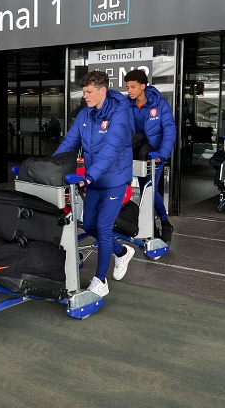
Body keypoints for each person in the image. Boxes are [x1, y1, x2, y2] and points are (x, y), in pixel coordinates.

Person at [53, 71, 135, 298]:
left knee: (104, 228)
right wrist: (49, 167)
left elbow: (111, 150)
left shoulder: (120, 113)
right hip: (94, 179)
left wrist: (88, 176)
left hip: (114, 179)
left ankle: (100, 281)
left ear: (103, 90)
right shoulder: (85, 115)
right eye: (83, 91)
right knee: (89, 225)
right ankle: (122, 251)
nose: (85, 96)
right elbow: (69, 142)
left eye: (89, 92)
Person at [124, 69, 177, 245]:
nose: (129, 90)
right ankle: (152, 227)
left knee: (150, 190)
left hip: (155, 154)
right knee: (144, 189)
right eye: (127, 87)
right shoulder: (127, 105)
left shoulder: (160, 104)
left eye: (133, 87)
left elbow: (169, 130)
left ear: (143, 86)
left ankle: (165, 222)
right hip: (137, 152)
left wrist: (162, 154)